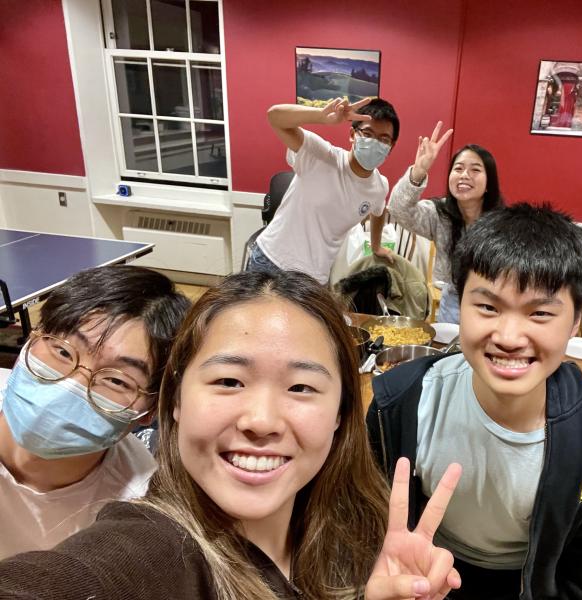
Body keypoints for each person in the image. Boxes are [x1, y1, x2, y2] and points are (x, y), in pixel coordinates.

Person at [0, 270, 463, 600]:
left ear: (342, 412)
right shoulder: (155, 546)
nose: (261, 420)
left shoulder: (358, 532)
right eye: (228, 381)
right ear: (174, 402)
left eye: (301, 387)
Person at [367, 203, 582, 599]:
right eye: (487, 307)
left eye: (540, 313)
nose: (510, 336)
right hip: (418, 569)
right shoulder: (400, 403)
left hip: (531, 584)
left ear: (577, 320)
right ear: (458, 305)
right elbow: (370, 526)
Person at [0, 265, 190, 559]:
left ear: (149, 412)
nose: (69, 386)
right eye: (63, 352)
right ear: (31, 340)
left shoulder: (136, 510)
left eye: (116, 380)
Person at [247, 97, 399, 285]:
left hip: (315, 278)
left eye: (383, 139)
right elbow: (274, 117)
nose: (374, 142)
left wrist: (376, 246)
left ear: (390, 147)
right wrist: (321, 116)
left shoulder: (379, 185)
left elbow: (378, 211)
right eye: (367, 133)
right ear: (353, 134)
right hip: (272, 263)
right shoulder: (321, 156)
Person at [387, 122, 502, 322]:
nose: (464, 175)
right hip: (453, 300)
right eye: (458, 168)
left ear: (488, 184)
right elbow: (399, 210)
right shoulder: (440, 214)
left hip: (492, 304)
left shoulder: (503, 223)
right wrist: (419, 170)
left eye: (475, 170)